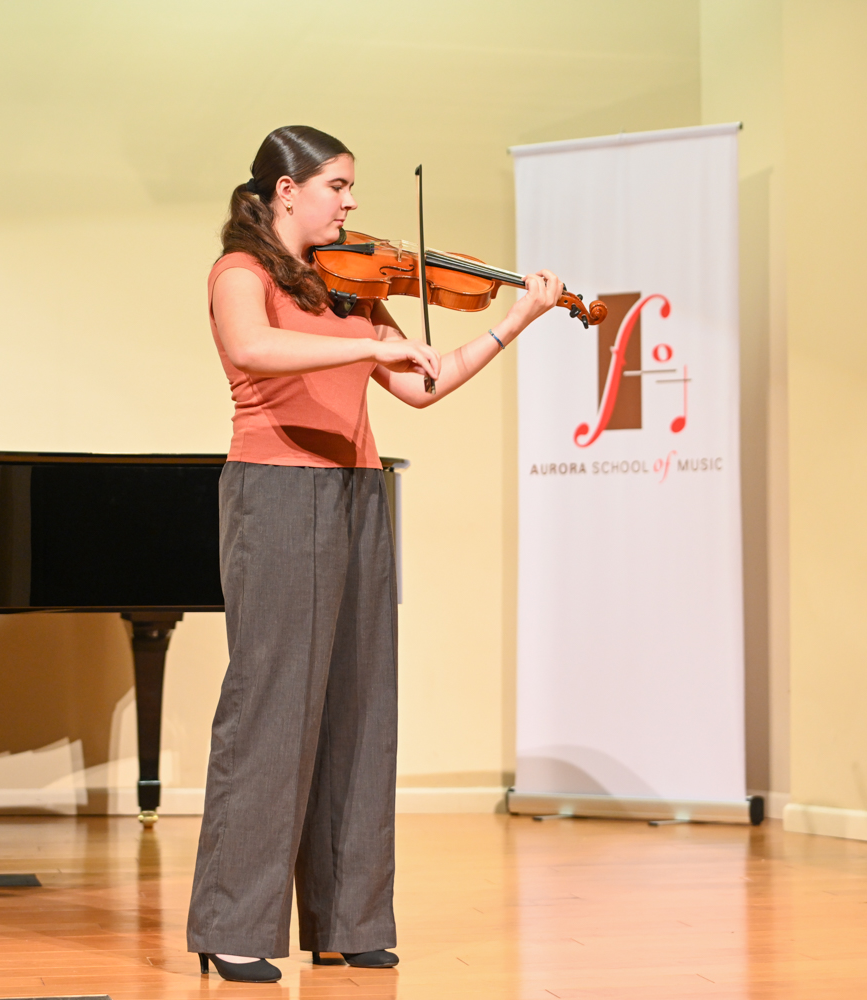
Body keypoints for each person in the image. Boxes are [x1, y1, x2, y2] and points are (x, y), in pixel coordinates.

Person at [188, 125, 564, 983]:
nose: (351, 202)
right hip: (278, 490)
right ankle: (233, 924)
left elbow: (421, 385)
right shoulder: (241, 273)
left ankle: (346, 918)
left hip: (360, 491)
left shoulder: (350, 284)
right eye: (337, 185)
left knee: (361, 705)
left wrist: (516, 319)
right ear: (286, 191)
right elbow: (252, 349)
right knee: (272, 706)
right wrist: (367, 344)